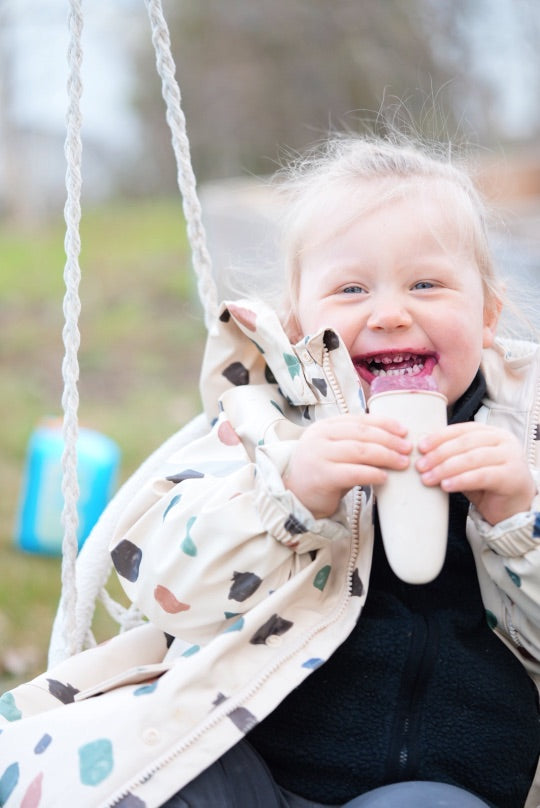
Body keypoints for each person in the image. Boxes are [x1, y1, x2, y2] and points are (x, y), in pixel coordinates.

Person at [1, 135, 540, 808]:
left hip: (443, 786)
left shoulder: (525, 445)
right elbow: (163, 580)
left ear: (487, 314)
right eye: (351, 288)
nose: (392, 312)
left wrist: (518, 519)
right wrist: (291, 495)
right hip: (257, 769)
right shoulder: (263, 429)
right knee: (160, 784)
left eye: (426, 284)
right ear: (298, 322)